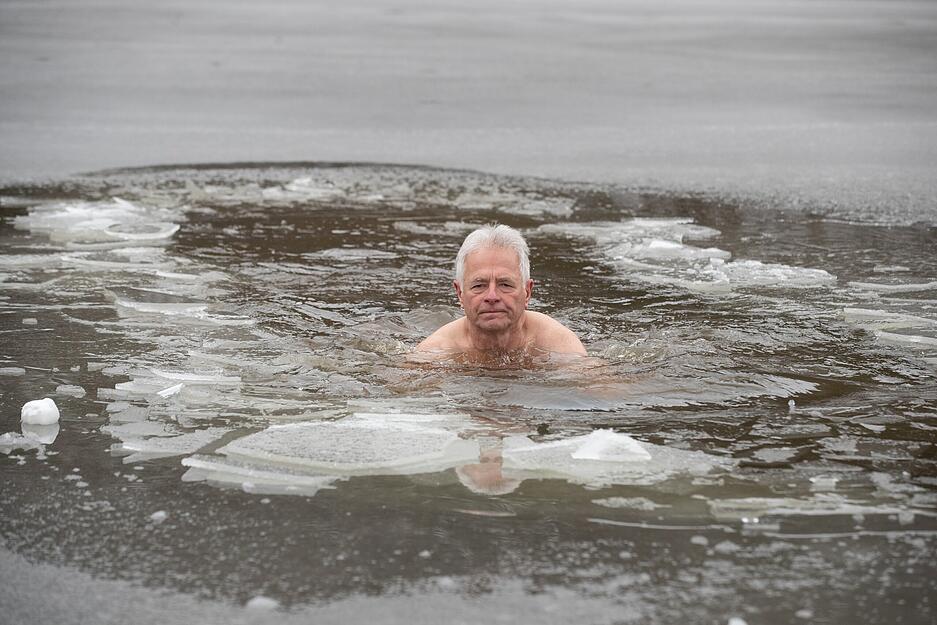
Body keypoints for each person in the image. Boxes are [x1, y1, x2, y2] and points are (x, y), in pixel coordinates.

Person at [416, 224, 586, 356]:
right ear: (459, 293)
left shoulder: (558, 346)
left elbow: (602, 391)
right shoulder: (436, 353)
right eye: (479, 285)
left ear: (527, 291)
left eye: (505, 284)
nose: (492, 296)